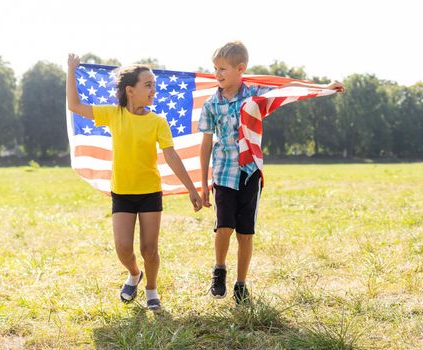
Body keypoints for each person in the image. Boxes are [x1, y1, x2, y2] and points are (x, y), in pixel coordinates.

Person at [198, 41, 344, 305]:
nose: (217, 74)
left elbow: (289, 90)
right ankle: (219, 269)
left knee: (245, 232)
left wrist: (324, 89)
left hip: (249, 172)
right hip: (223, 174)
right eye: (215, 69)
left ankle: (241, 284)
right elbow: (206, 143)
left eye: (222, 69)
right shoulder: (211, 105)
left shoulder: (255, 96)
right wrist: (202, 183)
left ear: (240, 69)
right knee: (224, 227)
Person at [66, 54, 203, 310]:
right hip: (122, 193)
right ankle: (134, 273)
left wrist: (191, 189)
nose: (154, 89)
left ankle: (152, 289)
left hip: (150, 192)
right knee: (123, 248)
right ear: (130, 90)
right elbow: (74, 105)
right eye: (148, 85)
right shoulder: (113, 114)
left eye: (154, 84)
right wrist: (71, 70)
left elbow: (171, 156)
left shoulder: (158, 122)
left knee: (149, 249)